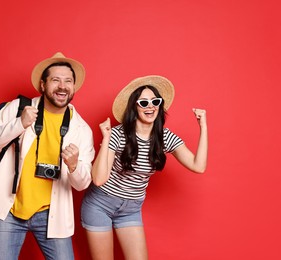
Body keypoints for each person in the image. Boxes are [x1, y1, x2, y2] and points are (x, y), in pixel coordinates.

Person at [0, 52, 95, 259]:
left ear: (74, 87)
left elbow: (82, 184)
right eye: (55, 80)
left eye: (68, 81)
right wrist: (19, 124)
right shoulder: (18, 108)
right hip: (9, 209)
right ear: (43, 85)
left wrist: (74, 166)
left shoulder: (81, 129)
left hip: (52, 213)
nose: (62, 86)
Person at [81, 75, 208, 260]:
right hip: (101, 204)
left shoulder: (164, 137)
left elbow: (199, 166)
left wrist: (203, 126)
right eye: (143, 102)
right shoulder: (117, 134)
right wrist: (106, 139)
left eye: (155, 101)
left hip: (131, 208)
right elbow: (99, 179)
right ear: (134, 106)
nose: (151, 106)